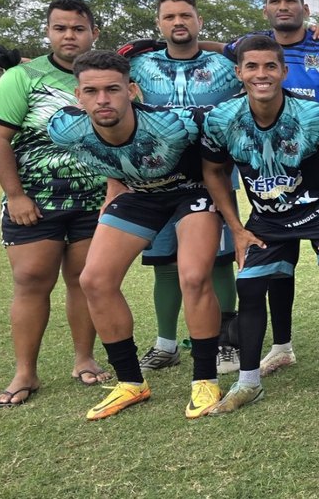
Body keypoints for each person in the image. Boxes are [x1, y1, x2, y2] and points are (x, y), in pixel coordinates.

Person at [49, 50, 223, 419]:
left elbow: (222, 137)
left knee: (192, 275)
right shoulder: (64, 128)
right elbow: (107, 155)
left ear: (132, 90)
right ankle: (131, 383)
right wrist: (114, 191)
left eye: (112, 89)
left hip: (190, 192)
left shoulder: (175, 124)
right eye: (91, 91)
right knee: (94, 280)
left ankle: (205, 379)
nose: (102, 100)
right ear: (77, 97)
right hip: (139, 196)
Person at [200, 35, 319, 413]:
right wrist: (237, 228)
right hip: (267, 219)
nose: (262, 74)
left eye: (270, 66)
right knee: (252, 288)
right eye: (253, 67)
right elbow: (213, 172)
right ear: (239, 71)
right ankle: (248, 383)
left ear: (284, 71)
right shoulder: (221, 120)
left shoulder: (314, 115)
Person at [0, 0, 109, 407]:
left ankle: (85, 359)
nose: (69, 36)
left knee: (84, 281)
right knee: (32, 281)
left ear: (93, 32)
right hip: (36, 201)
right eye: (60, 28)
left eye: (77, 28)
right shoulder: (23, 76)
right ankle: (25, 372)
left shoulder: (104, 75)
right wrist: (16, 195)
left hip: (94, 201)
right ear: (49, 33)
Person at [122, 0, 242, 375]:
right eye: (170, 17)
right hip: (155, 178)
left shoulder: (224, 63)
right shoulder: (140, 66)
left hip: (212, 175)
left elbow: (259, 55)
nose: (178, 23)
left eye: (186, 16)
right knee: (166, 265)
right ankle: (166, 344)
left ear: (198, 21)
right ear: (158, 23)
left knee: (220, 263)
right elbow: (92, 71)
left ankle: (227, 343)